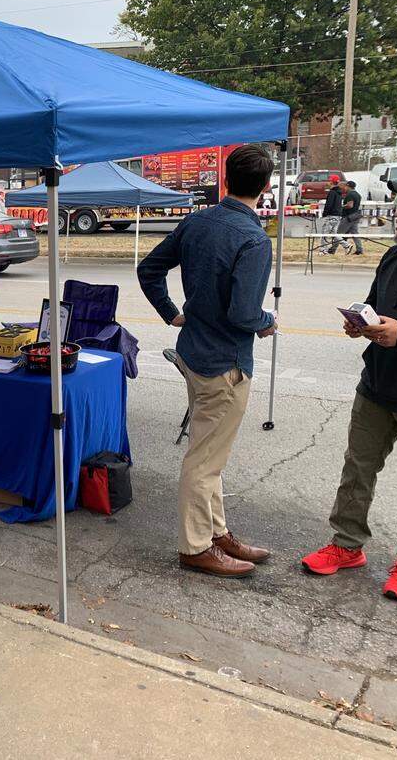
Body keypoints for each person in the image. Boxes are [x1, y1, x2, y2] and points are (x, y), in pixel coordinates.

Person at [302, 174, 397, 601]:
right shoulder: (394, 256)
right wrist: (364, 325)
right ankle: (346, 545)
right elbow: (378, 306)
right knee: (358, 467)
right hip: (377, 384)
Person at [137, 144, 277, 578]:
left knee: (209, 452)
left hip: (195, 354)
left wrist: (173, 313)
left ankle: (215, 532)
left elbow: (149, 269)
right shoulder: (253, 239)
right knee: (204, 459)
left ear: (225, 178)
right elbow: (243, 313)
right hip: (225, 363)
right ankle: (196, 545)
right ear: (267, 187)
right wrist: (266, 321)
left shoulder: (197, 221)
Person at [338, 180, 365, 255]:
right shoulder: (358, 194)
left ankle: (332, 250)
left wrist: (341, 206)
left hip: (348, 217)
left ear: (348, 186)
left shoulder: (350, 194)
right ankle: (359, 250)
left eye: (346, 186)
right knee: (355, 234)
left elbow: (350, 205)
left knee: (338, 234)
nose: (345, 188)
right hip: (355, 217)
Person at [320, 180, 344, 254]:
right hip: (337, 215)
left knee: (325, 233)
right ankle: (346, 245)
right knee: (333, 233)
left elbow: (329, 204)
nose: (327, 183)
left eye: (329, 181)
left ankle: (323, 250)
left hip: (332, 215)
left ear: (331, 183)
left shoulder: (332, 192)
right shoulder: (339, 192)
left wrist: (324, 213)